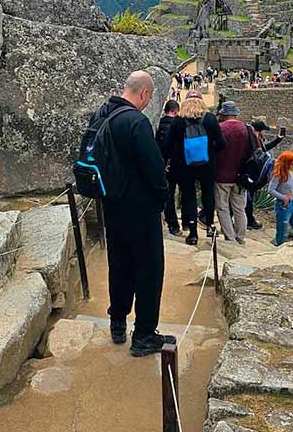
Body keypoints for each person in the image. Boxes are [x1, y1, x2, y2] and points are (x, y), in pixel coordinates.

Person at [92, 71, 174, 357]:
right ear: (144, 94)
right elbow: (154, 168)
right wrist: (162, 195)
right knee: (149, 270)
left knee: (120, 264)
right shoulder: (136, 121)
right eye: (149, 97)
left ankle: (117, 323)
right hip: (140, 210)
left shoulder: (101, 115)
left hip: (111, 206)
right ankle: (143, 335)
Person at [165, 91, 226, 243]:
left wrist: (166, 161)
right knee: (208, 194)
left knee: (189, 196)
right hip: (207, 164)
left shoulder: (178, 120)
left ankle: (192, 234)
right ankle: (210, 227)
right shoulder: (210, 119)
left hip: (184, 165)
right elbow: (221, 143)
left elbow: (168, 145)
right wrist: (210, 152)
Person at [214, 101, 250, 244]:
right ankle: (240, 237)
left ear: (224, 114)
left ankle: (230, 238)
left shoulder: (220, 129)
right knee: (239, 208)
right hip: (242, 175)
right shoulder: (247, 129)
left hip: (222, 174)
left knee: (222, 207)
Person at [244, 120, 283, 230]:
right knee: (247, 199)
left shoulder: (255, 140)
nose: (265, 132)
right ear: (259, 131)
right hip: (249, 174)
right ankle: (249, 221)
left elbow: (264, 149)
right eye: (263, 130)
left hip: (251, 174)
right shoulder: (253, 141)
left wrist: (278, 140)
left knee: (247, 198)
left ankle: (247, 220)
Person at [155, 99, 182, 236]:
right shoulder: (180, 125)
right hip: (179, 165)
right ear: (175, 111)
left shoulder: (158, 125)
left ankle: (172, 224)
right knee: (185, 193)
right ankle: (187, 224)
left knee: (168, 195)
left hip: (162, 165)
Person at [268, 151, 293, 246]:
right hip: (283, 205)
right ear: (287, 163)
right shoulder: (278, 175)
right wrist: (284, 197)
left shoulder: (288, 173)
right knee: (282, 231)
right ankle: (278, 247)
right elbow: (271, 190)